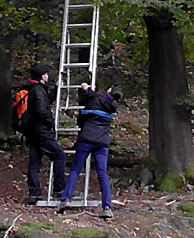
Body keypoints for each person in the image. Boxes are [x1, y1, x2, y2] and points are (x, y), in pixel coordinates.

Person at [56, 82, 122, 219]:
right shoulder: (113, 106)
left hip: (86, 139)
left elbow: (83, 116)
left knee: (76, 169)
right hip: (102, 142)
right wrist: (88, 91)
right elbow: (95, 98)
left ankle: (65, 199)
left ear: (110, 90)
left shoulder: (96, 99)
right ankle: (107, 206)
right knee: (102, 173)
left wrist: (86, 90)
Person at [23, 64, 66, 203]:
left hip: (32, 132)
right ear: (41, 76)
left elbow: (46, 101)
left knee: (35, 162)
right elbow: (42, 110)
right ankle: (59, 189)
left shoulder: (35, 89)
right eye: (46, 74)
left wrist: (56, 89)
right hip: (41, 132)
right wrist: (50, 123)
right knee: (59, 155)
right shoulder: (38, 90)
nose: (48, 76)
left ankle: (34, 192)